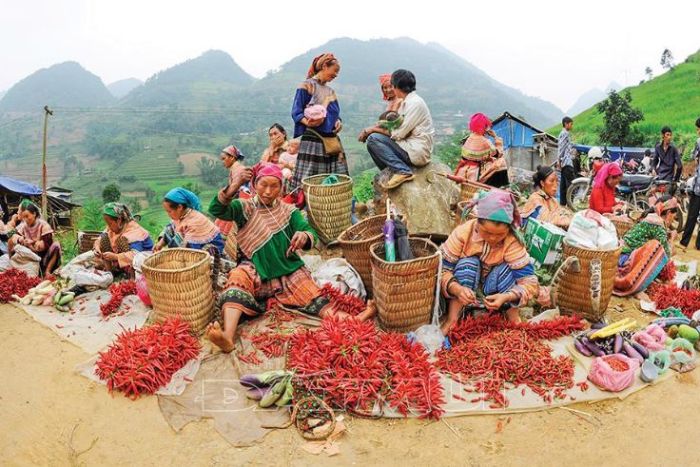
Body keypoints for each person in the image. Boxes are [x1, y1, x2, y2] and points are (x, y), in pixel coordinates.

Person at [207, 163, 375, 352]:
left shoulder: (289, 212)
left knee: (315, 299)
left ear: (282, 188)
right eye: (263, 185)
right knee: (237, 277)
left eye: (274, 186)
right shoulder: (245, 208)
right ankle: (228, 337)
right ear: (254, 184)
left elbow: (310, 231)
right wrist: (235, 184)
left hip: (288, 271)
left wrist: (304, 237)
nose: (268, 192)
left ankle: (361, 316)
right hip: (257, 272)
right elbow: (217, 210)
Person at [439, 190, 539, 333]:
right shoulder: (463, 233)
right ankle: (453, 318)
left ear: (509, 229)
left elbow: (529, 282)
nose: (492, 238)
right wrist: (457, 289)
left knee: (508, 268)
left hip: (495, 291)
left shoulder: (512, 241)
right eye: (487, 232)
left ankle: (514, 319)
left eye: (500, 234)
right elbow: (442, 270)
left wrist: (507, 296)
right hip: (465, 288)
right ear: (477, 222)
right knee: (468, 263)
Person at [359, 69, 435, 190]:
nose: (391, 90)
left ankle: (402, 171)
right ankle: (389, 173)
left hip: (416, 151)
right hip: (408, 146)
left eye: (392, 86)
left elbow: (399, 133)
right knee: (371, 142)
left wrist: (372, 129)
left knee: (373, 139)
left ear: (396, 86)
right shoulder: (408, 102)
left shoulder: (415, 103)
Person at [289, 53, 347, 194]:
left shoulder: (330, 91)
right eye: (335, 71)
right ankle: (306, 205)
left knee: (333, 177)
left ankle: (330, 205)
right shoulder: (307, 86)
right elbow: (296, 112)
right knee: (310, 178)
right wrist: (308, 122)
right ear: (324, 66)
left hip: (330, 139)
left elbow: (335, 114)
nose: (336, 75)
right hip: (313, 138)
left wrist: (339, 122)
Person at [614, 196, 678, 296]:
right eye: (674, 216)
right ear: (669, 213)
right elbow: (667, 254)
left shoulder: (652, 218)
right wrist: (672, 239)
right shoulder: (658, 225)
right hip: (624, 260)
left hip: (619, 253)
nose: (673, 220)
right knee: (657, 250)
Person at [155, 187, 225, 254]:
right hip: (192, 246)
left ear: (180, 207)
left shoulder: (194, 222)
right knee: (173, 229)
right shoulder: (182, 216)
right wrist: (160, 244)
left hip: (209, 250)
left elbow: (190, 250)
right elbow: (170, 229)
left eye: (169, 211)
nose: (168, 214)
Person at [93, 202, 154, 275]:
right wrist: (97, 248)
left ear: (119, 220)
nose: (108, 227)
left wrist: (116, 257)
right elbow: (99, 239)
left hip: (144, 261)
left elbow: (135, 255)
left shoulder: (134, 231)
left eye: (110, 223)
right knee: (104, 238)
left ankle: (133, 276)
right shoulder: (112, 228)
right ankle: (110, 273)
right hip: (124, 261)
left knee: (122, 240)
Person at [8, 201, 61, 275]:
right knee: (12, 241)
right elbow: (9, 235)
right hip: (30, 256)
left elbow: (45, 245)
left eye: (27, 216)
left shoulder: (43, 225)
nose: (26, 219)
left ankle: (47, 271)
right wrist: (20, 238)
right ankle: (13, 264)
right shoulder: (23, 225)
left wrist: (32, 242)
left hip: (44, 256)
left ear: (34, 214)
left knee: (56, 245)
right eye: (24, 217)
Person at [455, 113, 508, 187]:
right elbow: (499, 154)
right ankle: (495, 187)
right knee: (501, 162)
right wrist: (496, 137)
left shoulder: (469, 139)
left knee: (490, 160)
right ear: (485, 127)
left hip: (464, 172)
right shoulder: (485, 141)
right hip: (476, 175)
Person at [216, 145, 252, 238]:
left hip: (243, 201)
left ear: (232, 157)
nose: (223, 162)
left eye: (224, 158)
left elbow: (239, 189)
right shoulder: (235, 169)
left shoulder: (238, 170)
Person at [679, 118, 700, 250]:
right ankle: (699, 245)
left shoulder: (699, 141)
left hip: (699, 188)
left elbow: (694, 157)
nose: (697, 131)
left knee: (692, 215)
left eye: (698, 129)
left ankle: (684, 242)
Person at [558, 117, 577, 206]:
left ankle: (562, 203)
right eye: (571, 124)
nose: (571, 126)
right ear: (566, 124)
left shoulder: (564, 133)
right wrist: (559, 160)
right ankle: (571, 204)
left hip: (564, 163)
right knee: (571, 184)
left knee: (563, 185)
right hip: (567, 162)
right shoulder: (565, 133)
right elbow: (561, 148)